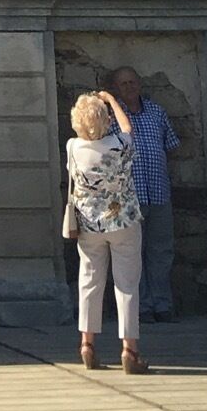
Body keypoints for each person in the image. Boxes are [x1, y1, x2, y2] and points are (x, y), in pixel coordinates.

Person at [63, 88, 148, 373]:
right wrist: (111, 99)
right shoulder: (121, 144)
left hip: (89, 224)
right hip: (123, 221)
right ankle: (129, 349)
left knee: (89, 282)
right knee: (126, 285)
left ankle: (87, 344)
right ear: (106, 120)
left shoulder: (73, 147)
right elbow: (128, 127)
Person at [108, 65, 180, 321]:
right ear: (115, 89)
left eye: (133, 82)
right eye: (123, 84)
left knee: (160, 251)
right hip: (129, 197)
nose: (130, 87)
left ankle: (162, 304)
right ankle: (141, 307)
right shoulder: (111, 117)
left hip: (158, 192)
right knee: (132, 254)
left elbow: (171, 146)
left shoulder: (157, 112)